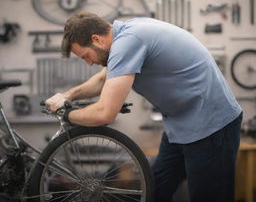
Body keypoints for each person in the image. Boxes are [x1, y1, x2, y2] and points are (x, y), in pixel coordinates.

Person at [46, 12, 242, 202]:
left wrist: (68, 113)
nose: (89, 63)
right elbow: (101, 79)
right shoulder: (127, 33)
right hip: (180, 127)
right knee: (153, 190)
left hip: (211, 126)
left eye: (85, 56)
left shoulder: (128, 42)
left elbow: (104, 114)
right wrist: (67, 96)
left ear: (97, 40)